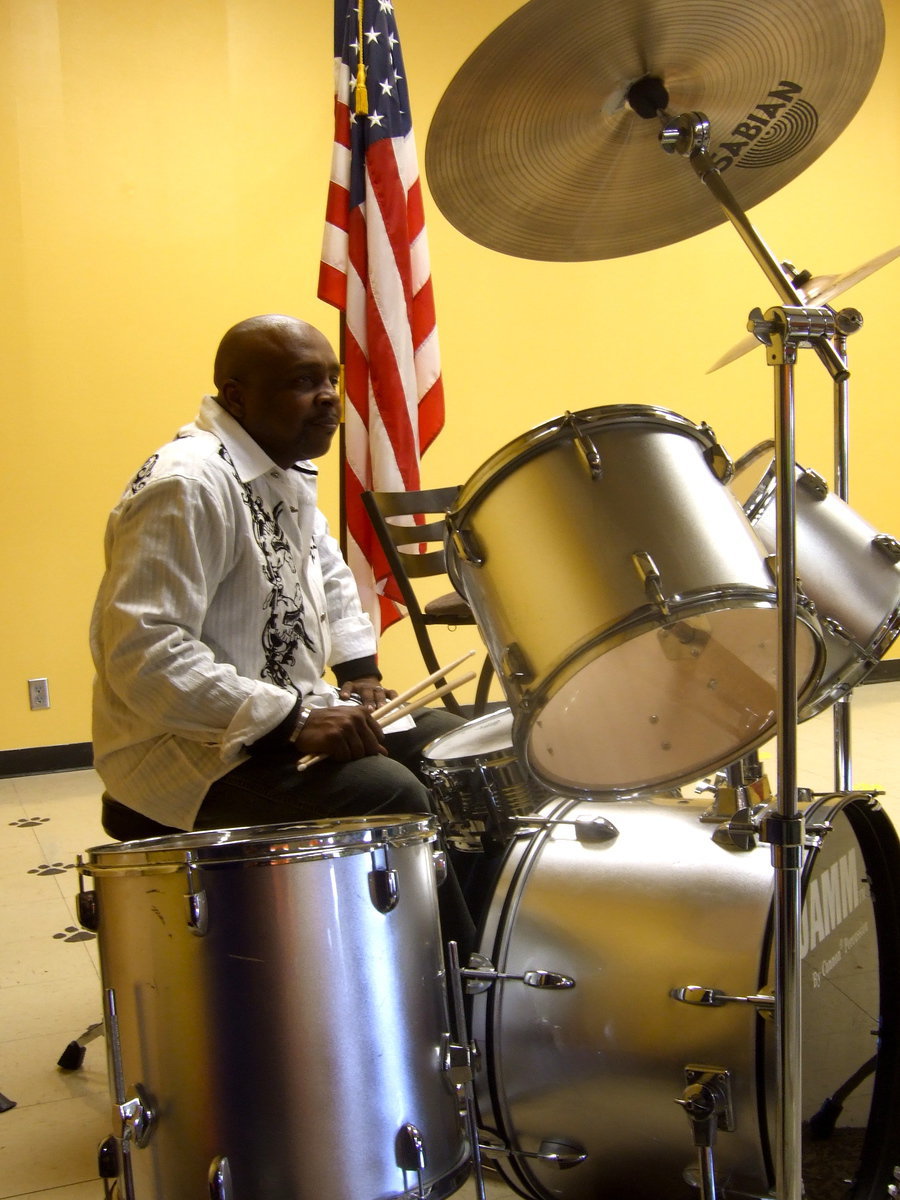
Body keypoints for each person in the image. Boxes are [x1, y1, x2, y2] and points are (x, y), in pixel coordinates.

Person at [90, 314, 473, 939]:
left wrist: (361, 675)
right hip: (185, 754)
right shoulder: (187, 484)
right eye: (302, 381)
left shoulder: (282, 470)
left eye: (331, 378)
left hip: (279, 716)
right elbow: (143, 653)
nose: (329, 397)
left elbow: (328, 574)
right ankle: (454, 991)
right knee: (387, 791)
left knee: (454, 750)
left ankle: (481, 938)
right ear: (236, 394)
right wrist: (292, 720)